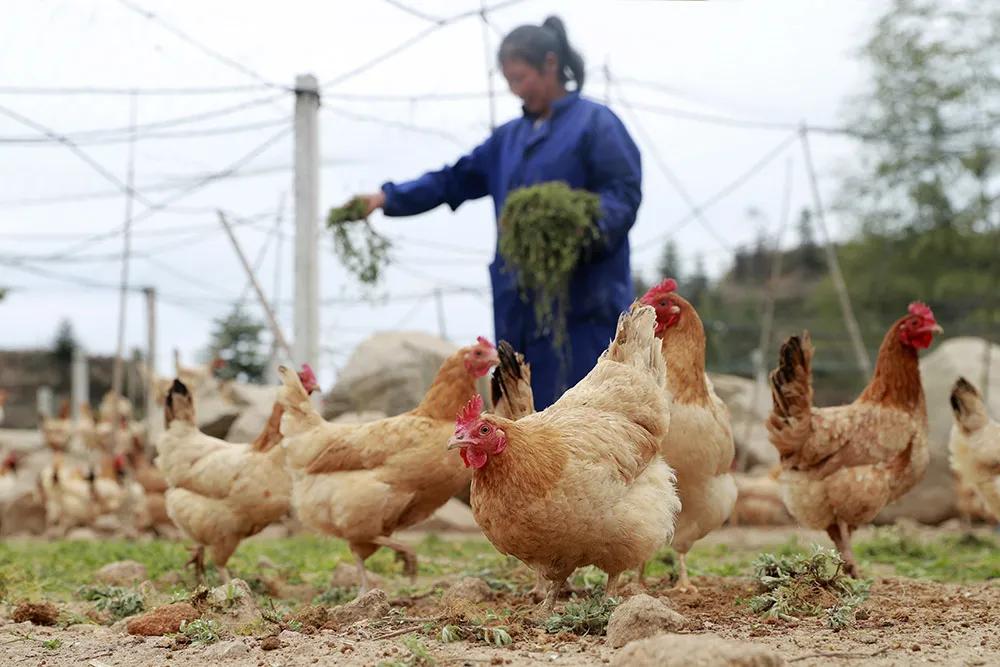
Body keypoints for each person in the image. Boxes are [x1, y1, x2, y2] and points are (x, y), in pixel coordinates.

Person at [351, 16, 642, 410]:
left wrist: (580, 231)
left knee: (584, 413)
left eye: (521, 78)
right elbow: (454, 179)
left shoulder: (595, 124)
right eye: (509, 81)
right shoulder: (507, 140)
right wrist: (388, 198)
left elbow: (622, 195)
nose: (515, 90)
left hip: (582, 300)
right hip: (518, 301)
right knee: (521, 418)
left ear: (550, 65)